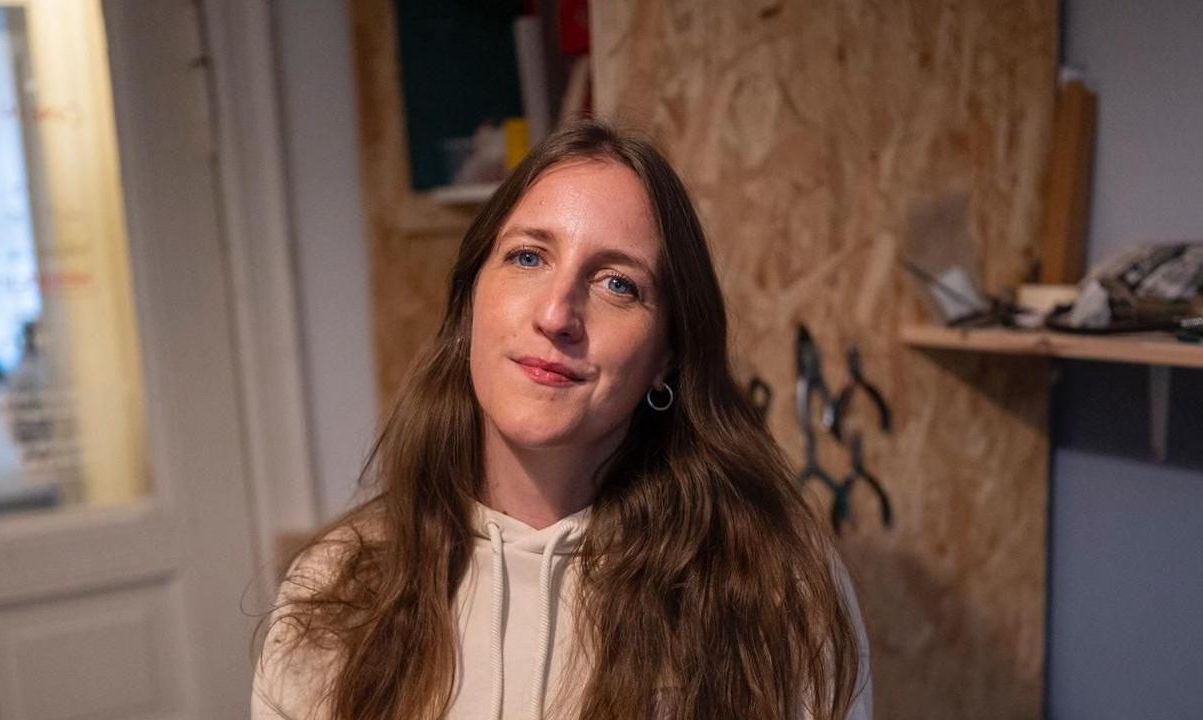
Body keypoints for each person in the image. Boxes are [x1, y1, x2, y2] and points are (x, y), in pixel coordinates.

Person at [252, 120, 872, 720]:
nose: (556, 314)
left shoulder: (776, 591)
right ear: (471, 303)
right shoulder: (335, 587)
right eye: (527, 258)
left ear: (666, 358)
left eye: (616, 285)